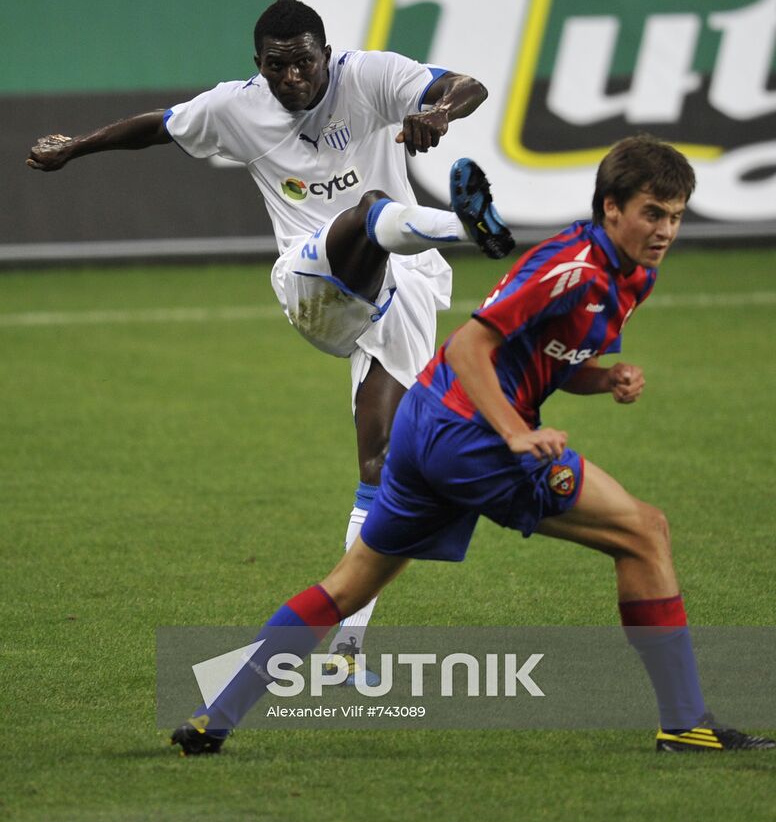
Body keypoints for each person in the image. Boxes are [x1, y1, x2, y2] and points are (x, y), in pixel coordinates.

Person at [170, 135, 775, 755]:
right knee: (645, 532)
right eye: (653, 213)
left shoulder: (630, 276)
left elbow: (544, 358)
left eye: (675, 215)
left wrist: (603, 379)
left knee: (348, 588)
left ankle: (211, 717)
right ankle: (684, 723)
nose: (666, 229)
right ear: (611, 207)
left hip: (425, 426)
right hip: (474, 439)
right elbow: (467, 348)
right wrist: (516, 432)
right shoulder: (572, 268)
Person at [26, 0, 514, 672]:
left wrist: (437, 112)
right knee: (371, 209)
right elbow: (159, 127)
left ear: (325, 55)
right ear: (259, 65)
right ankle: (467, 226)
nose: (293, 79)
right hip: (313, 285)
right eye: (278, 67)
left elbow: (466, 85)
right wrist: (77, 147)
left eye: (304, 64)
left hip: (404, 287)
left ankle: (347, 645)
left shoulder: (368, 76)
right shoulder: (236, 107)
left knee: (383, 465)